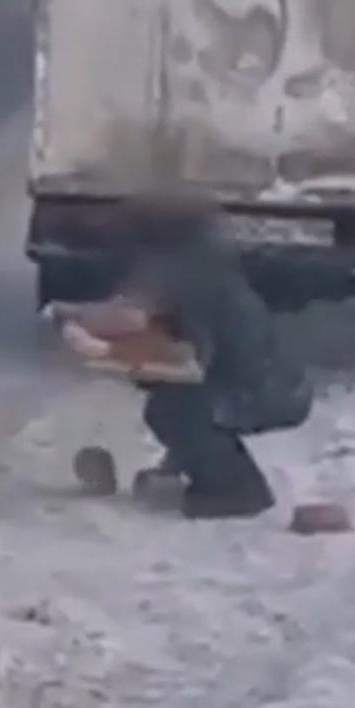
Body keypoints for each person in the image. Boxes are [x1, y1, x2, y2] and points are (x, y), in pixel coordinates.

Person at [93, 195, 313, 519]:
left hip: (267, 389)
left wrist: (76, 322)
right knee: (176, 400)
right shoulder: (202, 264)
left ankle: (235, 490)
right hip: (275, 382)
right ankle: (202, 471)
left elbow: (139, 322)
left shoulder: (183, 272)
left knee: (174, 409)